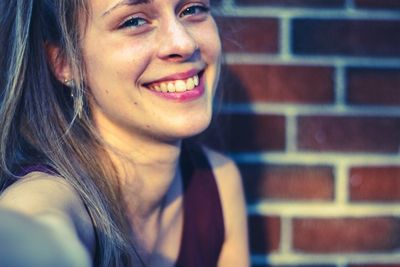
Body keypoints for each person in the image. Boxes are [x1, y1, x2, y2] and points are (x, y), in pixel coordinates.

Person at [0, 0, 249, 266]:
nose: (184, 43)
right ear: (64, 63)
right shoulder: (48, 198)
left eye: (192, 9)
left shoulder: (217, 181)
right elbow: (32, 227)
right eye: (134, 21)